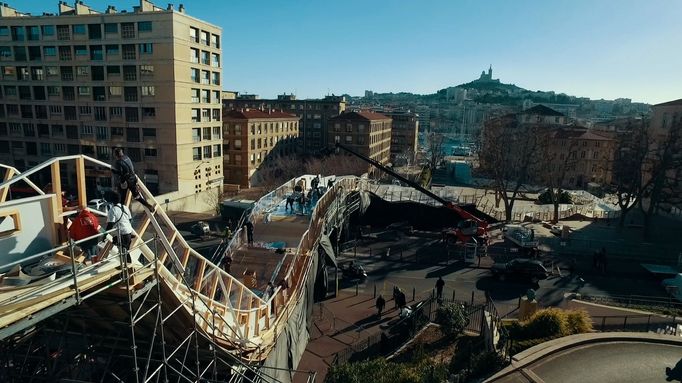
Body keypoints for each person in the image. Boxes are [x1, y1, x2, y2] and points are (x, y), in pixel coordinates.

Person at [105, 190, 134, 262]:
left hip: (122, 233)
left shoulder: (113, 210)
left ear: (111, 200)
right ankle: (126, 266)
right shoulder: (125, 207)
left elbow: (110, 224)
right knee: (126, 251)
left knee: (123, 251)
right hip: (128, 232)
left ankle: (125, 266)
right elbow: (130, 220)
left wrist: (105, 235)